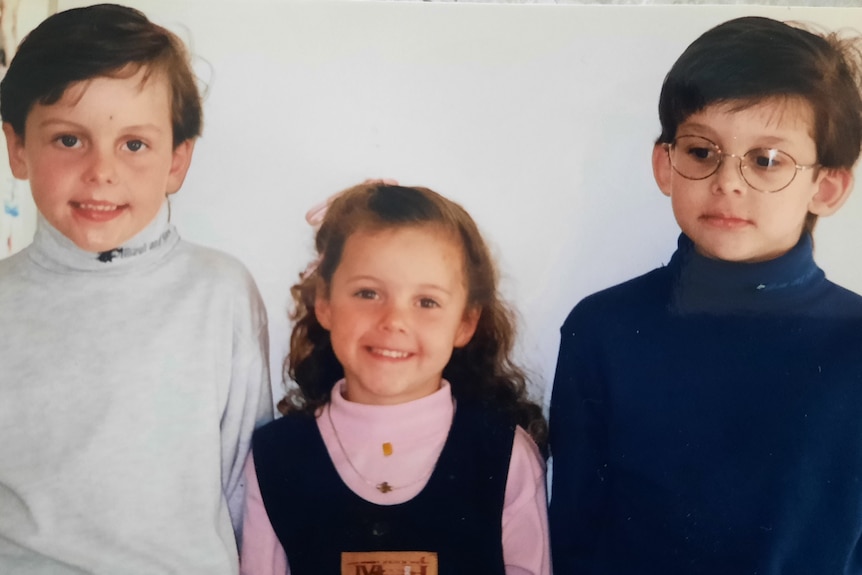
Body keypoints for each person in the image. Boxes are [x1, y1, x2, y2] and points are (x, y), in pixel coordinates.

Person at [548, 15, 862, 575]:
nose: (728, 182)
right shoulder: (604, 329)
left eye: (767, 160)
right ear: (665, 165)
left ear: (828, 186)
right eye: (701, 151)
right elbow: (575, 534)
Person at [0, 5, 272, 574]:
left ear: (177, 161)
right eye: (69, 139)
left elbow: (245, 481)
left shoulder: (220, 294)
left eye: (133, 144)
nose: (101, 171)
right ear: (18, 148)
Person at [241, 182, 550, 575]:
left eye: (426, 302)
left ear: (466, 322)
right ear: (324, 304)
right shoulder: (276, 457)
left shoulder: (505, 454)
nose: (394, 321)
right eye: (368, 293)